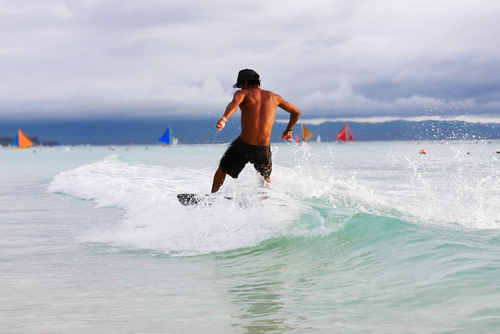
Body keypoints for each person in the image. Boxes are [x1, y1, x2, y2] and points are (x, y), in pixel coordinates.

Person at [211, 69, 301, 193]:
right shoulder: (274, 97)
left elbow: (234, 104)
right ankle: (266, 203)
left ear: (246, 82)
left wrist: (224, 118)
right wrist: (288, 129)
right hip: (263, 148)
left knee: (222, 169)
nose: (240, 88)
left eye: (240, 85)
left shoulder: (242, 93)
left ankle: (212, 198)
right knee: (265, 179)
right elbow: (296, 112)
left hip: (243, 145)